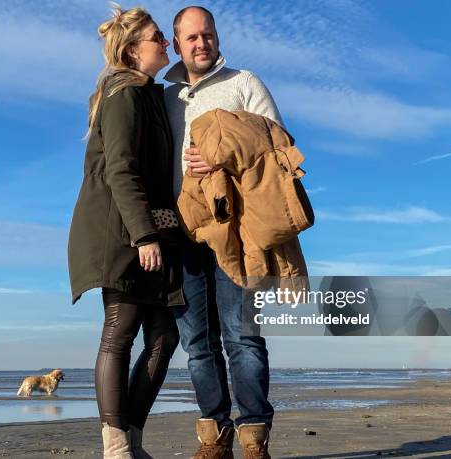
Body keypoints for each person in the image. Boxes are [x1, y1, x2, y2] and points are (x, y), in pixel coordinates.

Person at [164, 6, 287, 459]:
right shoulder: (166, 98)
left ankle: (253, 437)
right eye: (192, 38)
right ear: (177, 45)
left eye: (208, 35)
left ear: (218, 38)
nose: (202, 44)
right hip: (182, 233)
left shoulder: (244, 83)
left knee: (243, 336)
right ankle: (213, 440)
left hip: (237, 230)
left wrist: (222, 158)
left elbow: (279, 145)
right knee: (197, 343)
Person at [68, 5, 183, 458]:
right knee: (120, 330)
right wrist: (144, 235)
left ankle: (130, 439)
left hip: (145, 229)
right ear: (133, 50)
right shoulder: (123, 94)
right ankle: (116, 447)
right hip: (118, 231)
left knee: (164, 337)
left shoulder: (147, 95)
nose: (166, 43)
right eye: (159, 37)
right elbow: (120, 169)